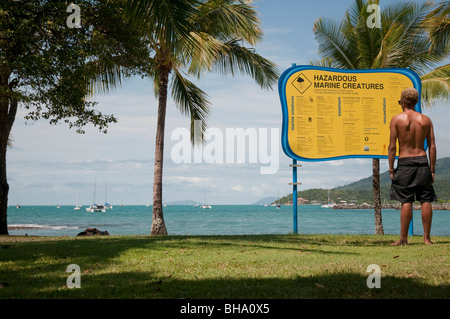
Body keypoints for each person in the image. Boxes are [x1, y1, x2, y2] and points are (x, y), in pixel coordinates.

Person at [388, 87, 437, 246]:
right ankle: (427, 239)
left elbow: (392, 147)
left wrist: (390, 168)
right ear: (415, 102)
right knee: (425, 200)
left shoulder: (397, 119)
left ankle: (403, 239)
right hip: (423, 162)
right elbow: (432, 147)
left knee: (406, 200)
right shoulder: (426, 120)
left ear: (403, 102)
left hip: (405, 163)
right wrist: (432, 169)